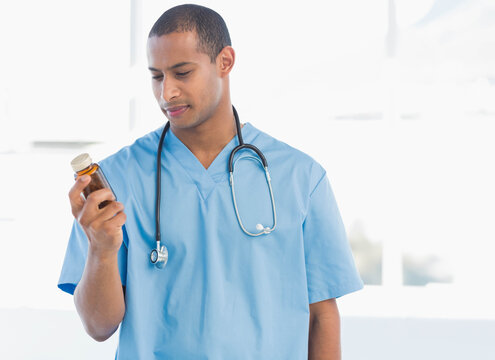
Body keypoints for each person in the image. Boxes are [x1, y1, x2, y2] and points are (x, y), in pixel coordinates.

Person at [58, 4, 363, 359]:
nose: (166, 92)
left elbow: (321, 317)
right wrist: (100, 249)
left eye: (182, 73)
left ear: (225, 62)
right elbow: (99, 327)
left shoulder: (300, 177)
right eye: (156, 76)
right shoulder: (117, 180)